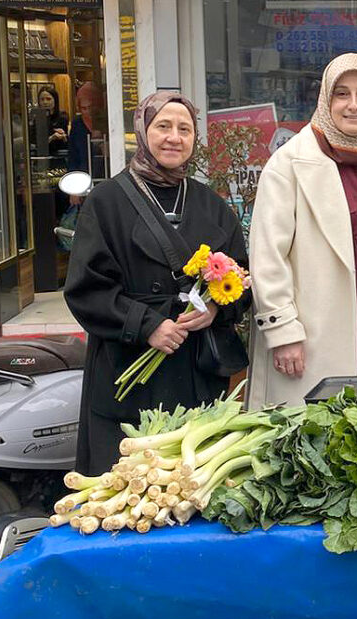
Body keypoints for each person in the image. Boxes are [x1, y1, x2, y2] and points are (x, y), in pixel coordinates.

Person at [64, 91, 249, 475]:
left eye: (185, 129)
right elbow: (87, 287)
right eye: (163, 126)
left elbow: (241, 279)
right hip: (128, 370)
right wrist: (146, 326)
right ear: (143, 131)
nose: (174, 137)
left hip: (195, 372)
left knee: (190, 484)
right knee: (127, 489)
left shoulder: (211, 205)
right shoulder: (107, 201)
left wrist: (216, 308)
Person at [248, 53, 357, 407]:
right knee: (306, 441)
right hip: (310, 330)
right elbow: (268, 254)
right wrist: (282, 331)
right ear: (325, 98)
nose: (354, 105)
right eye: (341, 94)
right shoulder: (289, 163)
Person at [68, 81, 106, 203]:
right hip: (84, 181)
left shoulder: (108, 121)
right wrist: (74, 188)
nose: (88, 112)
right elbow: (73, 156)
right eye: (84, 108)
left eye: (91, 107)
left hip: (106, 179)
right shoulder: (77, 124)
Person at [34, 87, 68, 157]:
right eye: (42, 99)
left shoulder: (62, 117)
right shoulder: (36, 119)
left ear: (55, 100)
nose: (45, 102)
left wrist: (64, 137)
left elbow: (66, 144)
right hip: (42, 157)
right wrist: (51, 138)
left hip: (60, 156)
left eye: (48, 99)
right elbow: (36, 144)